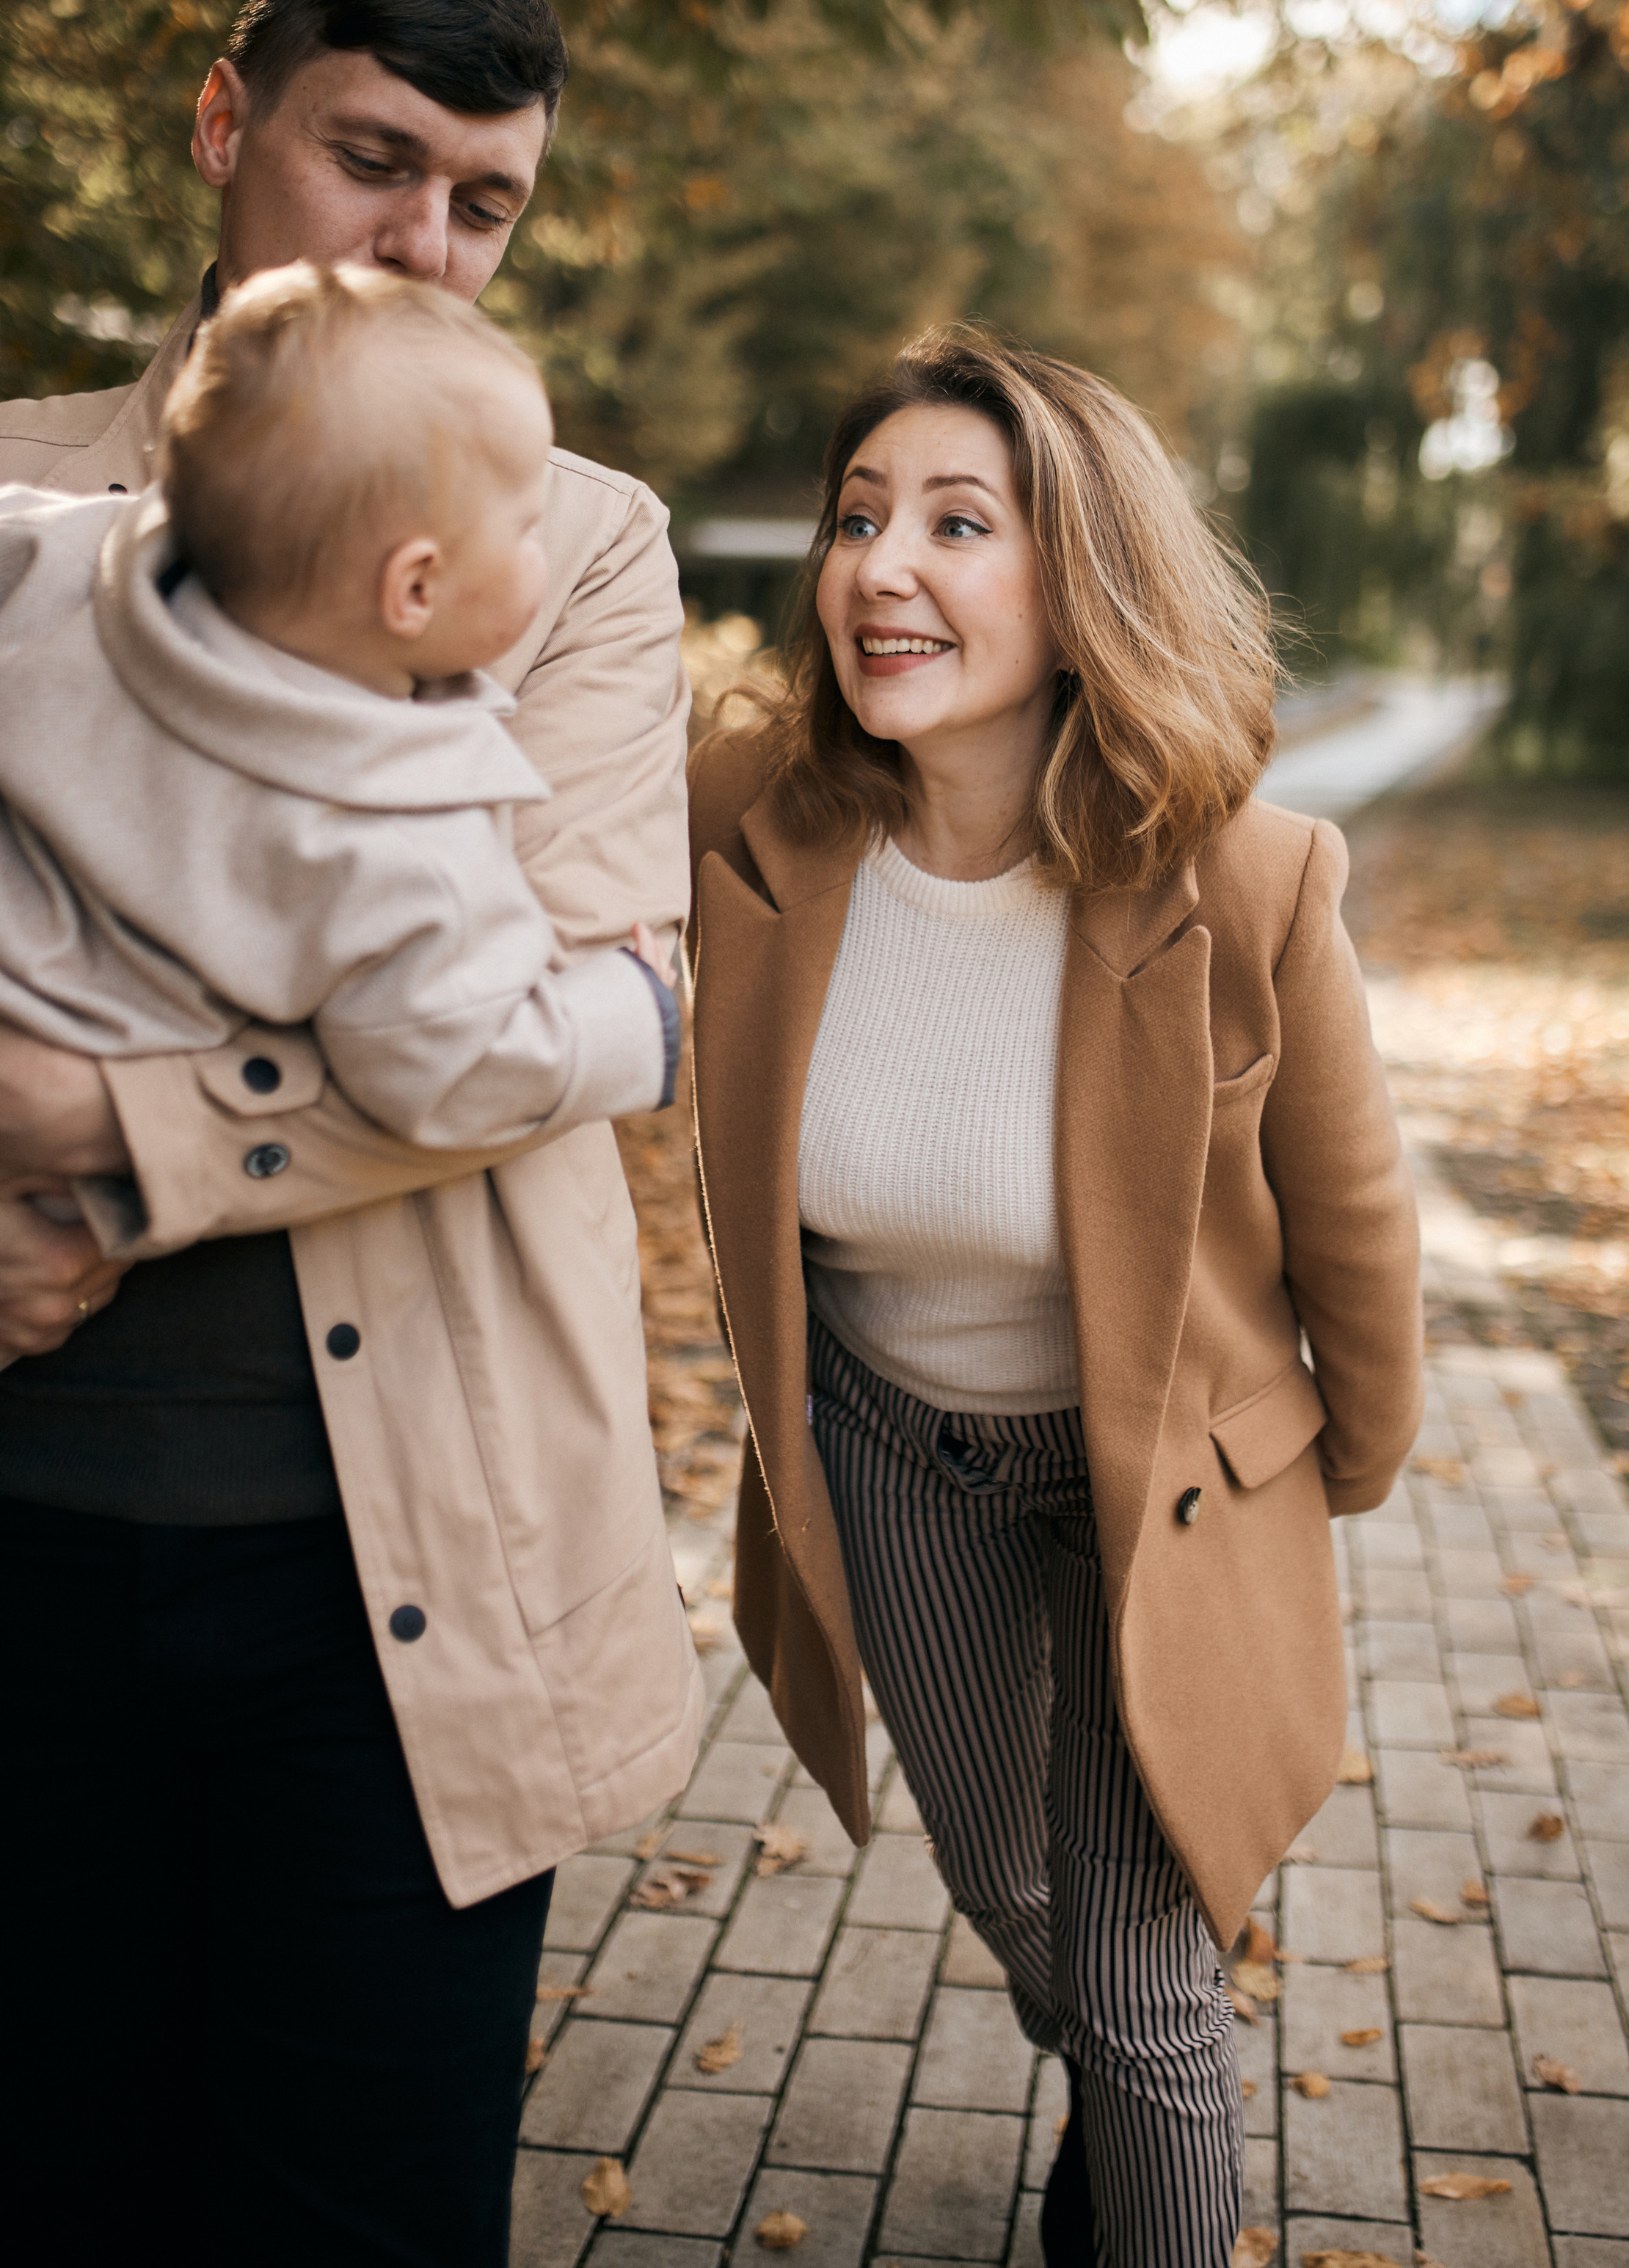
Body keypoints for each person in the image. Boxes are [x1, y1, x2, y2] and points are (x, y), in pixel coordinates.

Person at [0, 0, 701, 2268]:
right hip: (22, 1515)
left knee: (355, 2227)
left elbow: (555, 1023)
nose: (424, 241)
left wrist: (82, 1131)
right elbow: (457, 1015)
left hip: (403, 1580)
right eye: (370, 158)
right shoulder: (17, 503)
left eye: (480, 200)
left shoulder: (572, 549)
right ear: (226, 128)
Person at [688, 328, 1424, 2267]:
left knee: (1146, 1985)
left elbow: (1354, 1214)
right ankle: (1113, 2046)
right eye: (859, 520)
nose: (881, 569)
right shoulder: (749, 814)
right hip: (884, 1453)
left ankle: (1139, 2102)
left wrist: (1328, 1479)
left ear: (1082, 572)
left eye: (956, 522)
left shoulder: (1246, 878)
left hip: (1159, 1488)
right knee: (1009, 1888)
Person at [0, 263, 676, 1184]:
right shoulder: (395, 834)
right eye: (524, 528)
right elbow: (456, 1069)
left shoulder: (61, 561)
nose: (539, 548)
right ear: (416, 588)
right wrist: (635, 1013)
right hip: (82, 1162)